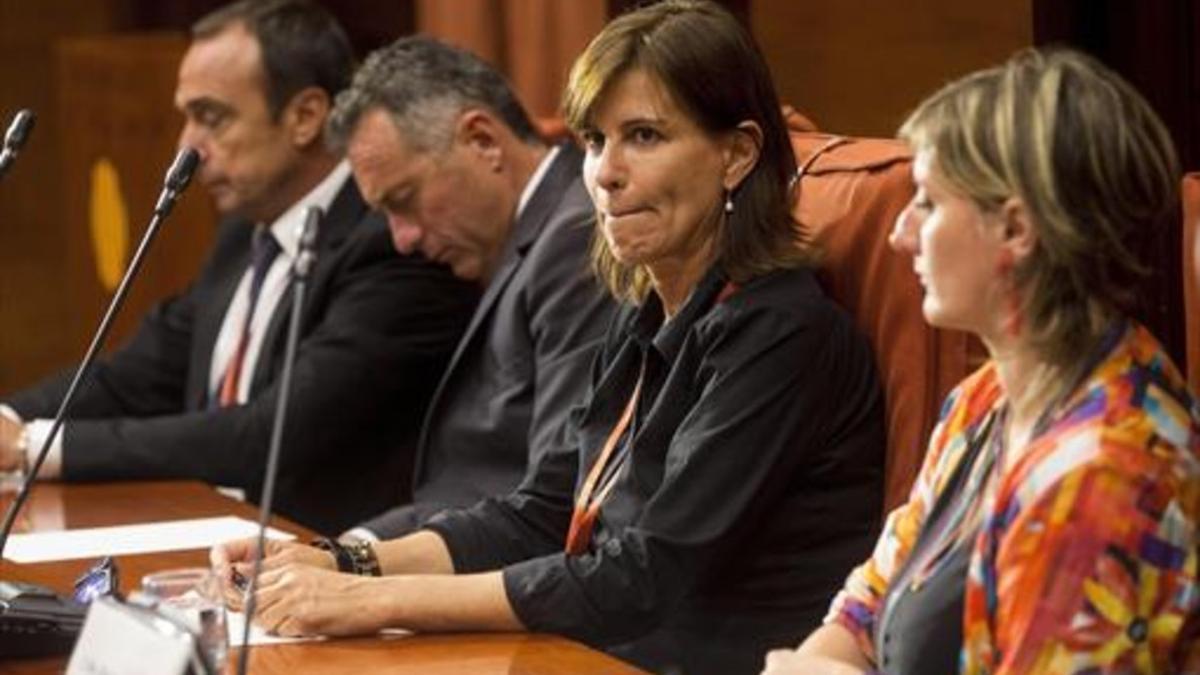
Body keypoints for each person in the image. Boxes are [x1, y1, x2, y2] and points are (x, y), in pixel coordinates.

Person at [213, 3, 884, 674]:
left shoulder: (781, 329)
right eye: (594, 140)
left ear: (737, 154)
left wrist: (372, 600)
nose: (606, 173)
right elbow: (542, 512)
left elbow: (640, 575)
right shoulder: (646, 310)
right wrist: (343, 560)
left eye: (644, 136)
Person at [764, 49, 1200, 675]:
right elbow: (866, 604)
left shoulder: (1107, 474)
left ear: (1016, 230)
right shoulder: (988, 394)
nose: (900, 232)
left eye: (929, 203)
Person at [0, 0, 478, 535]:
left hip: (325, 563)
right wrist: (10, 419)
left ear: (305, 116)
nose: (187, 145)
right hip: (206, 544)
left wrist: (32, 447)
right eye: (186, 117)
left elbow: (269, 436)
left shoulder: (392, 245)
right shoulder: (243, 237)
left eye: (212, 117)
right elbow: (140, 374)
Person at [326, 35, 615, 542]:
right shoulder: (521, 241)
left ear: (482, 140)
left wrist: (363, 558)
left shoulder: (574, 241)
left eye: (405, 199)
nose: (403, 239)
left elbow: (554, 502)